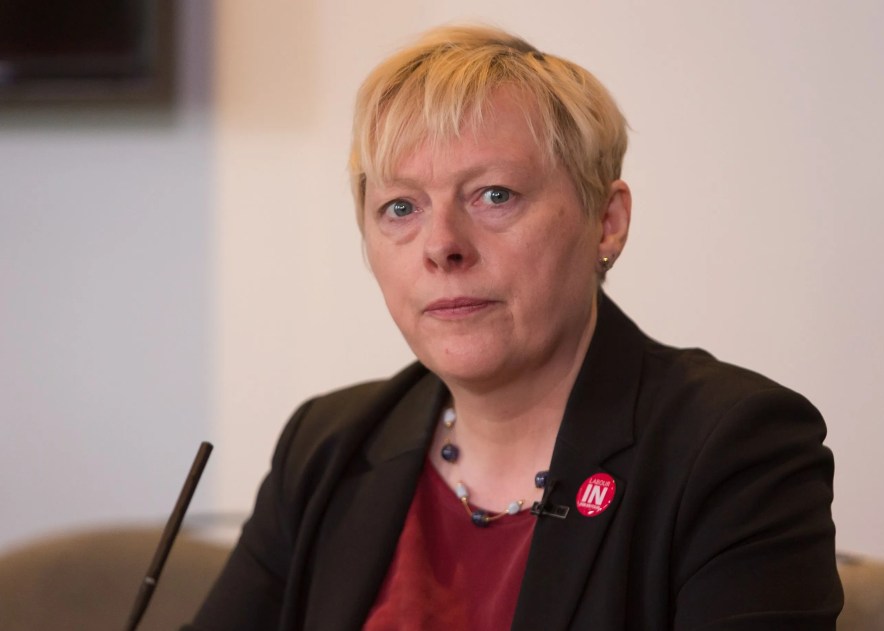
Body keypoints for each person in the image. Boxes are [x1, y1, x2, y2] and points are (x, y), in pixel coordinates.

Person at [186, 24, 842, 630]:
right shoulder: (326, 446)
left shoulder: (733, 449)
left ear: (606, 222)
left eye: (494, 194)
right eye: (400, 206)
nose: (442, 244)